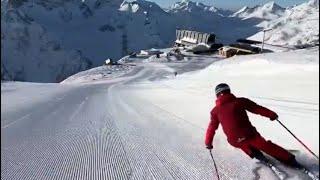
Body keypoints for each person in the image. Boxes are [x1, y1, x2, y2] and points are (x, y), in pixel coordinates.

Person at [205, 83, 302, 168]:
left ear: (217, 95)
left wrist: (208, 142)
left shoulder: (214, 111)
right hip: (249, 134)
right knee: (265, 145)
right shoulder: (240, 101)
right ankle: (289, 160)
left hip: (234, 140)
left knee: (244, 144)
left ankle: (257, 155)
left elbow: (211, 128)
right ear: (229, 91)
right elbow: (256, 109)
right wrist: (271, 114)